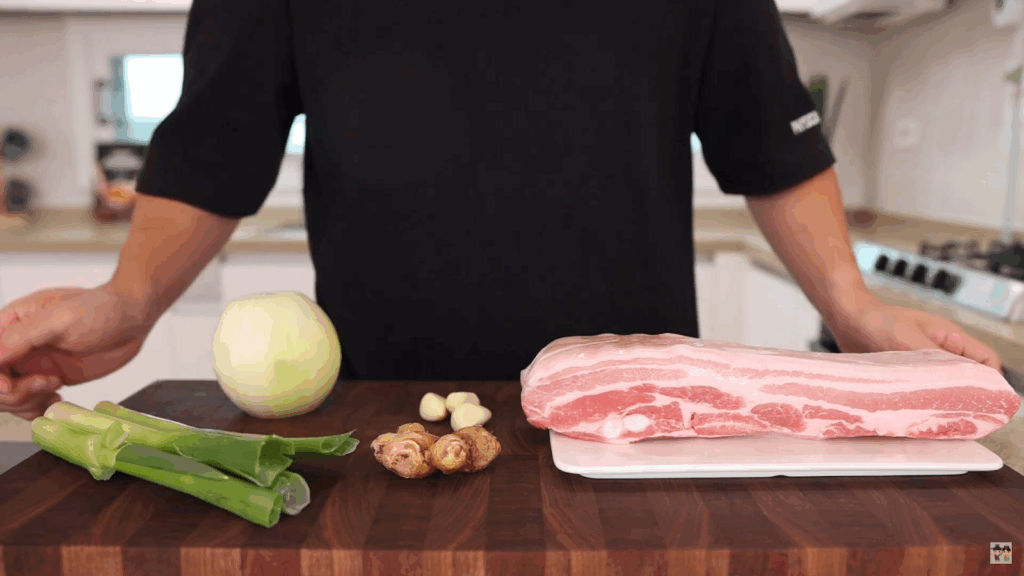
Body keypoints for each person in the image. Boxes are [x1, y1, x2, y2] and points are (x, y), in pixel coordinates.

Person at [0, 0, 1001, 420]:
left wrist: (855, 308)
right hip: (380, 413)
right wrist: (128, 301)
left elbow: (769, 143)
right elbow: (217, 146)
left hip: (635, 410)